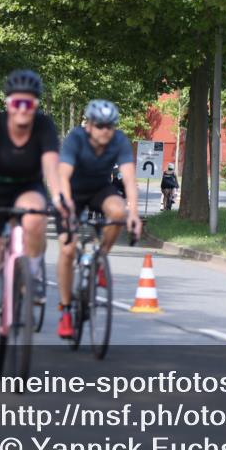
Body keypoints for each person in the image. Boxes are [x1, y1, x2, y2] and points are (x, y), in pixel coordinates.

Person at [0, 69, 65, 363]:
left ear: (36, 106)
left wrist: (60, 199)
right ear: (8, 104)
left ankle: (31, 273)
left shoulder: (45, 127)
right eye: (17, 103)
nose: (23, 110)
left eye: (29, 104)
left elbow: (50, 171)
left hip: (27, 186)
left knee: (35, 217)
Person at [55, 100, 141, 338]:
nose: (105, 130)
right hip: (72, 192)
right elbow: (62, 176)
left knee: (118, 212)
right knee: (68, 249)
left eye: (110, 126)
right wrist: (67, 206)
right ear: (89, 125)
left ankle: (100, 257)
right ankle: (64, 310)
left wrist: (133, 213)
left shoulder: (119, 140)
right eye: (100, 125)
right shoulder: (76, 138)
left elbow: (129, 179)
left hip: (99, 191)